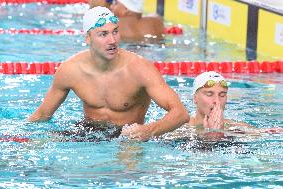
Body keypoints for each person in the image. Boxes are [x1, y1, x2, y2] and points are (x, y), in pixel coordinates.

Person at [28, 7, 189, 142]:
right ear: (88, 38)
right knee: (39, 142)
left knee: (127, 166)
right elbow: (42, 115)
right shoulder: (71, 70)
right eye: (103, 34)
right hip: (87, 134)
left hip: (127, 138)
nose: (112, 40)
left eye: (115, 32)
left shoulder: (139, 69)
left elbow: (180, 114)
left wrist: (149, 130)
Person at [186, 71, 283, 140]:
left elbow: (266, 133)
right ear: (195, 98)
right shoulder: (181, 128)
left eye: (222, 95)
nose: (217, 101)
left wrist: (221, 133)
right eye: (209, 94)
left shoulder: (236, 127)